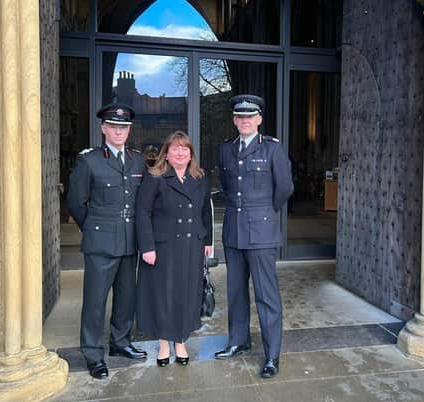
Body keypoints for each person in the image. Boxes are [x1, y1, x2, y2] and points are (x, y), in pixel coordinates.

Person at [214, 94, 294, 378]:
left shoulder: (272, 148)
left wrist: (263, 213)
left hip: (261, 231)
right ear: (235, 120)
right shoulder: (225, 149)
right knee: (235, 292)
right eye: (239, 117)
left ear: (259, 119)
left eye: (250, 117)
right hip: (234, 230)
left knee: (266, 295)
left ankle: (272, 355)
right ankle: (238, 340)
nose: (244, 121)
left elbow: (284, 188)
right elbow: (226, 186)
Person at [67, 103, 148, 379]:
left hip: (129, 242)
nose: (118, 131)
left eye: (123, 127)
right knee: (95, 301)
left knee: (127, 298)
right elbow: (76, 203)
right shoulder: (89, 160)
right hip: (101, 244)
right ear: (103, 128)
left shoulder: (137, 160)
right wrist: (94, 229)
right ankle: (92, 353)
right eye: (113, 126)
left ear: (129, 130)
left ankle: (120, 343)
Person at [135, 131, 213, 367]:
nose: (180, 153)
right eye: (175, 149)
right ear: (166, 154)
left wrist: (208, 241)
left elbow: (205, 212)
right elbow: (143, 212)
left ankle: (180, 341)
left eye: (185, 149)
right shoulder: (155, 177)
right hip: (162, 247)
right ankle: (163, 344)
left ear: (191, 155)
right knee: (163, 295)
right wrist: (147, 246)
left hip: (192, 245)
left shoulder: (199, 178)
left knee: (187, 294)